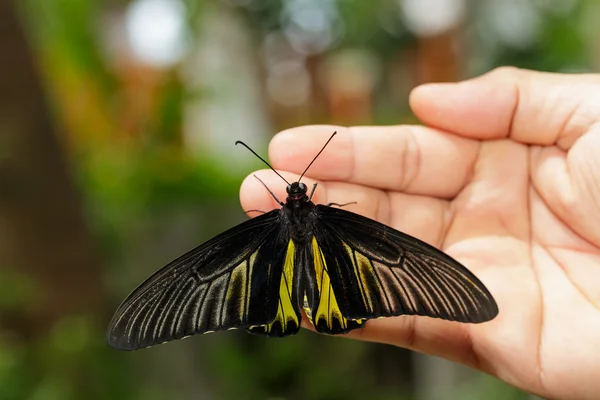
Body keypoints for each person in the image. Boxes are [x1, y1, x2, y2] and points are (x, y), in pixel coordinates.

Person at [239, 67, 600, 399]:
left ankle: (287, 309)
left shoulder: (276, 216)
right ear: (302, 199)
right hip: (331, 276)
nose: (296, 195)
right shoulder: (330, 215)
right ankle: (314, 308)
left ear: (285, 201)